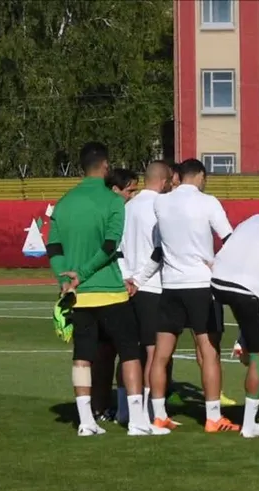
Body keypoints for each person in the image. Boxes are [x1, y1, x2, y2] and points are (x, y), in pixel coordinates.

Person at [46, 142, 165, 436]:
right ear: (106, 166)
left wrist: (66, 279)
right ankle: (137, 421)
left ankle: (87, 422)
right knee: (130, 353)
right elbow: (110, 246)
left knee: (82, 355)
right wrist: (83, 274)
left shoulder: (64, 202)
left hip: (79, 295)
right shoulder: (112, 201)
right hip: (110, 290)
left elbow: (53, 247)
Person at [133, 158, 238, 433]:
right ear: (200, 176)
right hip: (202, 285)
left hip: (171, 286)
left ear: (177, 176)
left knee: (161, 355)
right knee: (209, 352)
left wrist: (139, 279)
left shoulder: (161, 203)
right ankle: (213, 416)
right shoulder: (208, 202)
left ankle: (158, 414)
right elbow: (230, 239)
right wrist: (220, 265)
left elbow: (160, 249)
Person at [210, 203, 259, 438]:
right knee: (258, 354)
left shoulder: (253, 219)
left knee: (209, 344)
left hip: (215, 281)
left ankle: (210, 412)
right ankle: (250, 424)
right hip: (247, 289)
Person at [117, 161, 172, 426]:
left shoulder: (128, 206)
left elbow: (116, 248)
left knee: (129, 351)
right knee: (154, 352)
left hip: (127, 286)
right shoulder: (160, 207)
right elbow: (159, 251)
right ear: (163, 181)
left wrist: (127, 276)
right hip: (152, 286)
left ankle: (123, 409)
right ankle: (150, 412)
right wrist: (139, 279)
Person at [90, 167, 140, 423]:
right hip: (111, 288)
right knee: (118, 351)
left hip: (110, 285)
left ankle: (105, 409)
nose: (133, 195)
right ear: (115, 190)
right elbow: (111, 249)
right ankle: (118, 411)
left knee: (105, 352)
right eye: (129, 190)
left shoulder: (122, 210)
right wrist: (126, 277)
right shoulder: (112, 212)